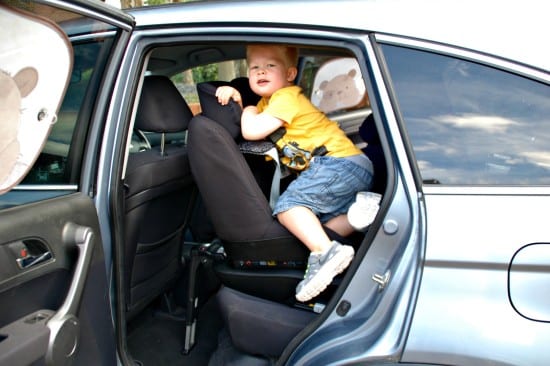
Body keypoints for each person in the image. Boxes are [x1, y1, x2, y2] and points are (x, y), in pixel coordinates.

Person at [215, 44, 375, 302]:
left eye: (270, 66)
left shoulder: (286, 97)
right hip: (349, 165)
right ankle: (358, 217)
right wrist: (237, 94)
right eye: (254, 67)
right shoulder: (270, 102)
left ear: (290, 74)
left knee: (289, 207)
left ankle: (326, 254)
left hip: (337, 163)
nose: (261, 71)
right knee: (313, 226)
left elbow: (251, 132)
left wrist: (247, 110)